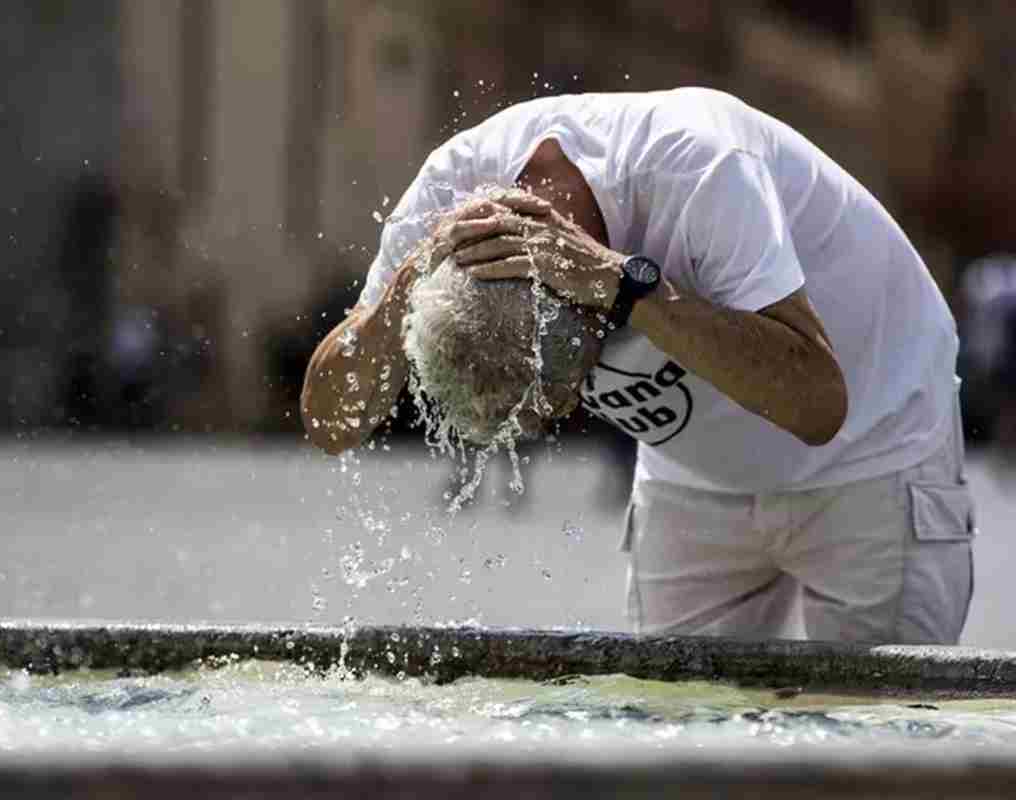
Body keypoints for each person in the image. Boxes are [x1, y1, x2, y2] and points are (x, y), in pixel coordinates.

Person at [301, 87, 974, 645]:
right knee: (677, 743)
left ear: (591, 318)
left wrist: (628, 285)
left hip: (873, 442)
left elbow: (820, 406)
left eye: (561, 399)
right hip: (693, 472)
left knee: (884, 739)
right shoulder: (448, 193)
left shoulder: (699, 167)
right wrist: (402, 289)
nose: (564, 419)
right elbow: (331, 424)